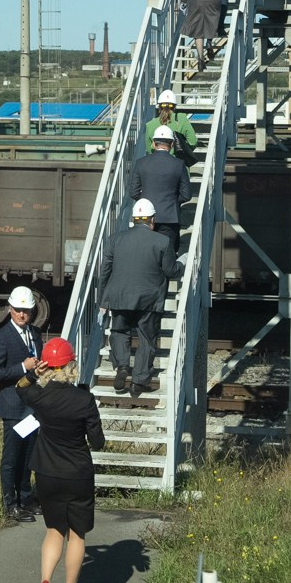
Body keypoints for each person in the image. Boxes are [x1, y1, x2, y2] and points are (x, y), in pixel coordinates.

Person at [18, 339, 104, 583]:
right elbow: (98, 442)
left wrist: (33, 373)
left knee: (54, 530)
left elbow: (20, 388)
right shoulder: (84, 399)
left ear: (46, 366)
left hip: (46, 472)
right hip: (77, 474)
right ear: (71, 365)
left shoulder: (38, 397)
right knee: (76, 535)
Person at [96, 199, 177, 397]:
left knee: (119, 331)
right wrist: (181, 263)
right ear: (153, 220)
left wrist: (103, 300)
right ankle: (139, 382)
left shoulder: (115, 239)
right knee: (146, 339)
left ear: (133, 219)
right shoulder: (162, 242)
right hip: (149, 300)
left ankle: (122, 366)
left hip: (120, 296)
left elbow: (104, 270)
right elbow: (171, 271)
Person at [0, 285, 44, 523]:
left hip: (31, 407)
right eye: (18, 310)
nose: (22, 314)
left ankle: (26, 498)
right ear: (10, 309)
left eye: (26, 310)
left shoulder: (35, 334)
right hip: (12, 407)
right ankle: (10, 504)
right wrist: (23, 368)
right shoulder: (2, 337)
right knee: (12, 457)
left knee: (29, 455)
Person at [129, 128, 190, 251]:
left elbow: (133, 192)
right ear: (172, 144)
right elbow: (186, 195)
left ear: (153, 143)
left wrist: (146, 201)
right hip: (170, 218)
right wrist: (172, 201)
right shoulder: (179, 164)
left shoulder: (141, 163)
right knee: (168, 255)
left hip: (144, 218)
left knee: (146, 254)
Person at [139, 89, 199, 162]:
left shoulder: (150, 125)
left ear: (160, 107)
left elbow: (150, 150)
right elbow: (193, 142)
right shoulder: (181, 119)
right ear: (174, 106)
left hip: (158, 165)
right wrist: (183, 149)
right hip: (179, 164)